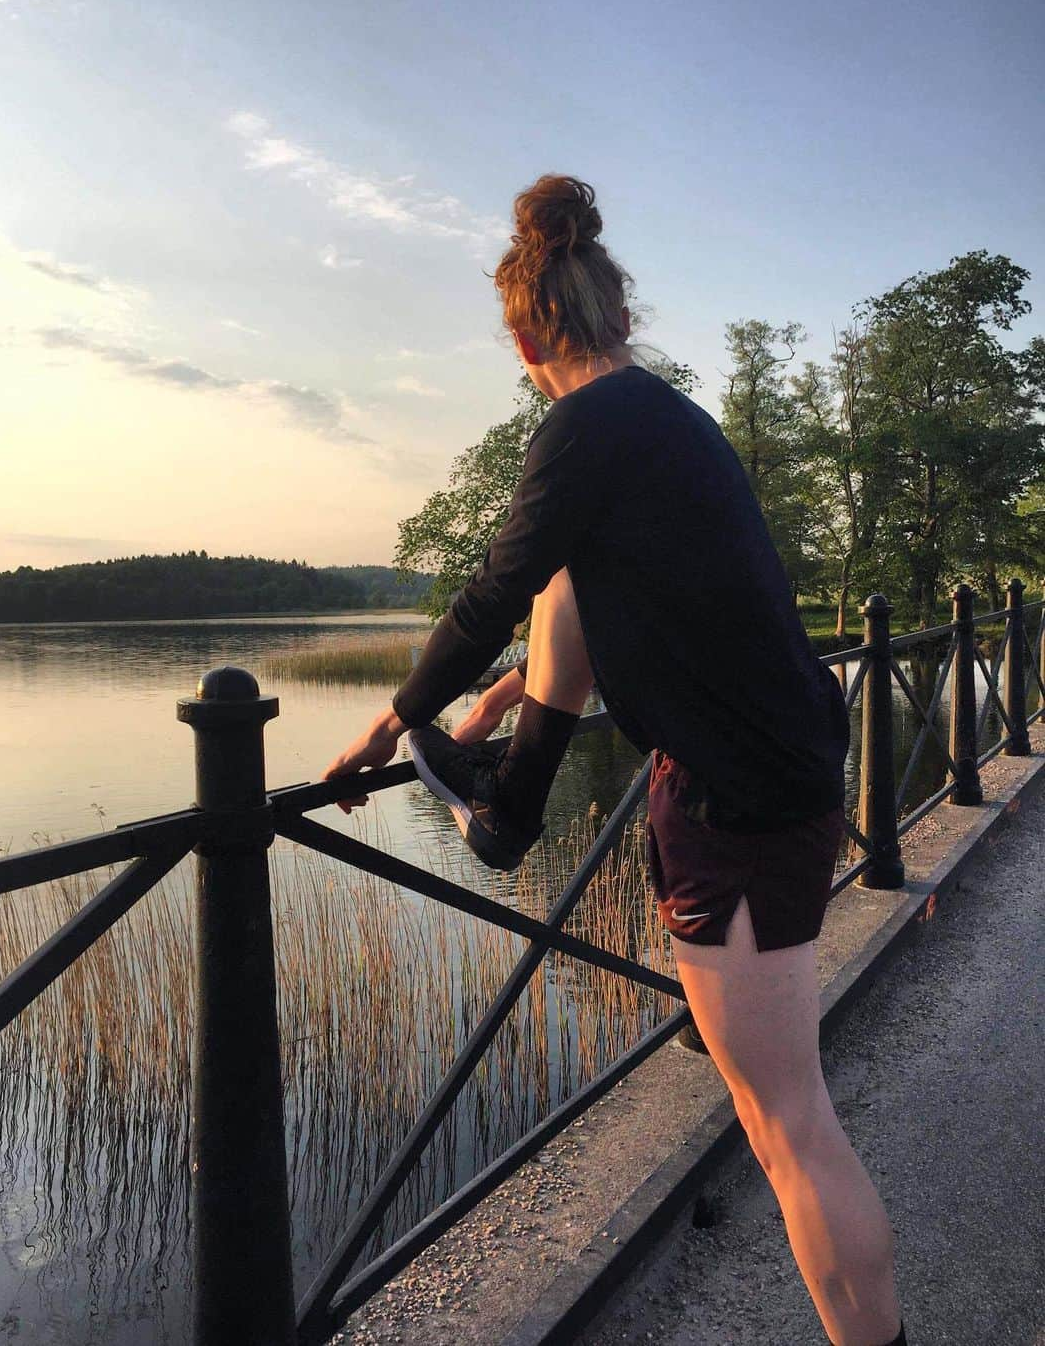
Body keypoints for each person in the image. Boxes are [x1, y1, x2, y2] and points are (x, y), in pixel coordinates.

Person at [322, 174, 907, 1346]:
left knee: (787, 1120)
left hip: (740, 802)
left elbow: (493, 593)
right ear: (621, 318)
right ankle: (508, 800)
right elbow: (585, 598)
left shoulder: (582, 429)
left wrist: (396, 720)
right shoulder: (663, 421)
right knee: (569, 571)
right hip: (772, 770)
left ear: (530, 338)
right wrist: (486, 717)